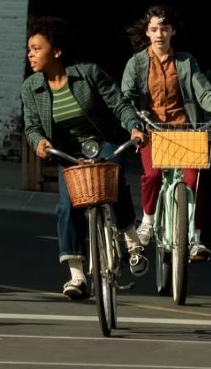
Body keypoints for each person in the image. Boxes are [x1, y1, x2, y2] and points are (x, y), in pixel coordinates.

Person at [21, 17, 148, 300]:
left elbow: (119, 104)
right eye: (29, 49)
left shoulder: (88, 73)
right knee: (68, 207)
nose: (30, 54)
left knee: (114, 182)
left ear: (57, 51)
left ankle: (131, 241)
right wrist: (39, 142)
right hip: (68, 153)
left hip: (103, 143)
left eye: (36, 48)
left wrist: (134, 127)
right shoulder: (31, 87)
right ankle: (77, 275)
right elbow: (31, 126)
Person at [121, 5, 211, 262]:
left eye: (164, 29)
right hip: (152, 131)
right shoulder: (137, 63)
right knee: (152, 175)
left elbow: (203, 91)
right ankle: (148, 220)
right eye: (154, 29)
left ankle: (194, 239)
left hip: (184, 131)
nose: (159, 34)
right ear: (147, 32)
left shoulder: (185, 61)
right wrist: (134, 121)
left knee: (194, 181)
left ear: (173, 31)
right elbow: (126, 97)